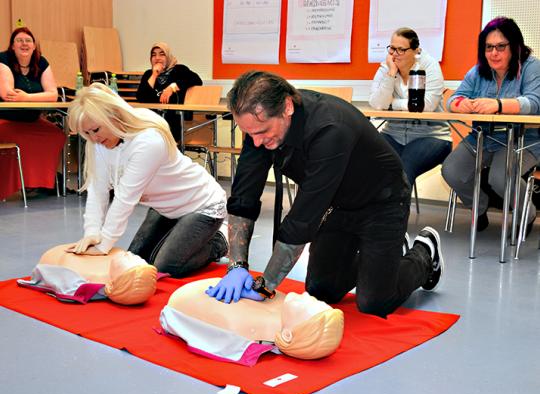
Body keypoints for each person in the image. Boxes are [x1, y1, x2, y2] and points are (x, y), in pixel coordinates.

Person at [205, 71, 444, 318]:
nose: (255, 142)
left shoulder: (330, 128)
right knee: (322, 290)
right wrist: (236, 266)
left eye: (262, 131)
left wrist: (266, 286)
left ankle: (424, 254)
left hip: (383, 202)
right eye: (249, 133)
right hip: (338, 204)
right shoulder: (259, 127)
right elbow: (244, 196)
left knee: (375, 302)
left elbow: (303, 218)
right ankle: (386, 258)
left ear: (287, 107)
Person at [66, 83, 228, 278]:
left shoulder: (148, 140)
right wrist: (92, 232)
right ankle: (185, 237)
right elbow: (97, 189)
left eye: (95, 130)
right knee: (138, 261)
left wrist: (105, 243)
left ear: (112, 116)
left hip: (202, 205)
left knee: (167, 266)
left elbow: (126, 198)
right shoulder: (99, 142)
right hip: (166, 208)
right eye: (87, 134)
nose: (93, 138)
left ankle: (221, 240)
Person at [442, 17, 540, 233]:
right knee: (451, 171)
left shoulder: (532, 67)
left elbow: (534, 103)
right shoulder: (478, 71)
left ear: (515, 47)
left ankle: (527, 213)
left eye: (500, 47)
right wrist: (462, 104)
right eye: (488, 47)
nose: (494, 53)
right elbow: (452, 99)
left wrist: (497, 104)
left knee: (500, 177)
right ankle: (479, 206)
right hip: (482, 137)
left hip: (522, 139)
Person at [161, 277, 344, 363]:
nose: (305, 294)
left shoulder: (244, 324)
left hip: (185, 299)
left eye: (308, 304)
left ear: (287, 335)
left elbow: (186, 303)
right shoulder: (286, 307)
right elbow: (266, 289)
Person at [369, 27, 452, 186]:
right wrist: (391, 74)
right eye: (392, 48)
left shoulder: (429, 66)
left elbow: (426, 105)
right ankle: (373, 211)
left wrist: (393, 104)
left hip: (431, 134)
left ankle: (396, 211)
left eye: (401, 50)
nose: (394, 54)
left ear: (415, 51)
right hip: (393, 133)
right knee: (366, 163)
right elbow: (378, 103)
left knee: (403, 170)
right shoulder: (386, 67)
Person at [0, 27, 65, 200]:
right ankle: (23, 184)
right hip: (6, 120)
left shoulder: (41, 62)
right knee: (19, 139)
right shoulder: (3, 59)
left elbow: (53, 94)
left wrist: (27, 96)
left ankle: (41, 183)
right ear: (12, 46)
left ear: (34, 46)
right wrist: (33, 97)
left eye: (28, 40)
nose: (24, 43)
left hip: (33, 120)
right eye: (19, 40)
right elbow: (8, 94)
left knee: (56, 135)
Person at [18, 244, 158, 305]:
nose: (131, 254)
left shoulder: (82, 272)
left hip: (62, 253)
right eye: (138, 259)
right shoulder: (121, 264)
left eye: (129, 259)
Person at [136, 42, 202, 141]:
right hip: (150, 125)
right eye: (153, 55)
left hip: (171, 125)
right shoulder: (148, 74)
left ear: (168, 57)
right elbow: (142, 97)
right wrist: (154, 75)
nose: (157, 58)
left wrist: (172, 87)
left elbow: (197, 80)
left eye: (162, 54)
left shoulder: (179, 70)